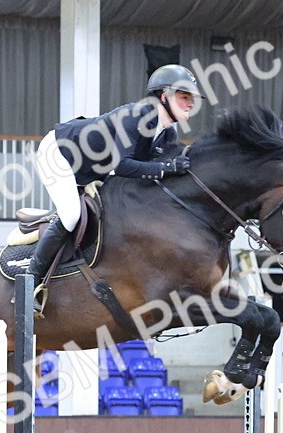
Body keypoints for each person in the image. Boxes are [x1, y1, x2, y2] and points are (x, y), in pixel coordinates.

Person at [27, 64, 203, 315]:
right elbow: (121, 165)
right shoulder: (137, 116)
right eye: (184, 97)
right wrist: (165, 168)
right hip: (59, 153)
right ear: (164, 96)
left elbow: (164, 171)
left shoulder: (165, 134)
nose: (190, 104)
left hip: (91, 167)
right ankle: (31, 280)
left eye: (192, 99)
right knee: (70, 215)